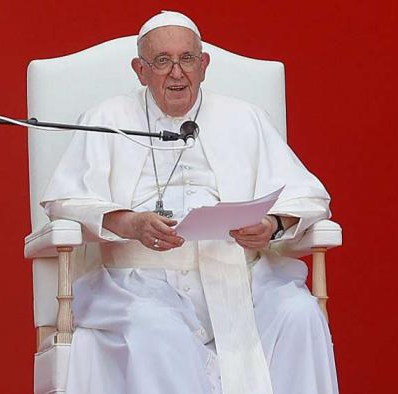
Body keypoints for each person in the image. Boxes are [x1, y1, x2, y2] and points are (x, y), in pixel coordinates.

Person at [41, 10, 338, 394]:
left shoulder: (246, 118)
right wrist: (128, 222)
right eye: (162, 61)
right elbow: (64, 199)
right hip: (139, 282)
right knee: (156, 329)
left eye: (187, 59)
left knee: (299, 314)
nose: (176, 73)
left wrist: (273, 225)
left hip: (240, 277)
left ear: (204, 65)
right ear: (139, 70)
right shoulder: (105, 118)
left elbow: (310, 196)